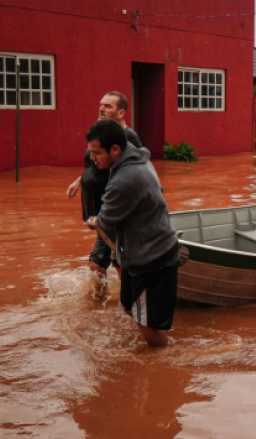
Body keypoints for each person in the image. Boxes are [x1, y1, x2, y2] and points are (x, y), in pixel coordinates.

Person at [86, 119, 179, 347]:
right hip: (141, 252)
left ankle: (164, 362)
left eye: (96, 152)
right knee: (128, 305)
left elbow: (106, 220)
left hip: (151, 259)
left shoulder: (125, 180)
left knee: (148, 330)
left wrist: (96, 219)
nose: (92, 158)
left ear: (115, 149)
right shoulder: (138, 158)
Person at [65, 92, 146, 283]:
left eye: (107, 106)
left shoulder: (128, 138)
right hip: (101, 207)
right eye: (101, 104)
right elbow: (95, 163)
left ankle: (99, 307)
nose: (101, 108)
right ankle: (123, 298)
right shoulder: (102, 134)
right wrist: (80, 181)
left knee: (97, 264)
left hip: (115, 208)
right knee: (118, 257)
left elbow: (137, 171)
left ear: (121, 113)